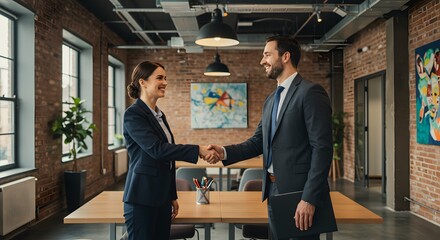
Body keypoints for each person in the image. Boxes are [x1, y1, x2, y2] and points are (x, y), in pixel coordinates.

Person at [206, 35, 335, 240]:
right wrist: (224, 152)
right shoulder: (271, 100)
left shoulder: (310, 92)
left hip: (300, 193)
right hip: (273, 189)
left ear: (285, 57)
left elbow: (323, 149)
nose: (262, 61)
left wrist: (309, 199)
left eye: (267, 54)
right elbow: (258, 142)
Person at [123, 61, 218, 240]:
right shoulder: (133, 115)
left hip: (161, 199)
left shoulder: (159, 115)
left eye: (166, 78)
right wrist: (197, 149)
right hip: (142, 199)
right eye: (159, 78)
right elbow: (157, 150)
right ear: (142, 82)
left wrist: (171, 195)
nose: (165, 82)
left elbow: (167, 162)